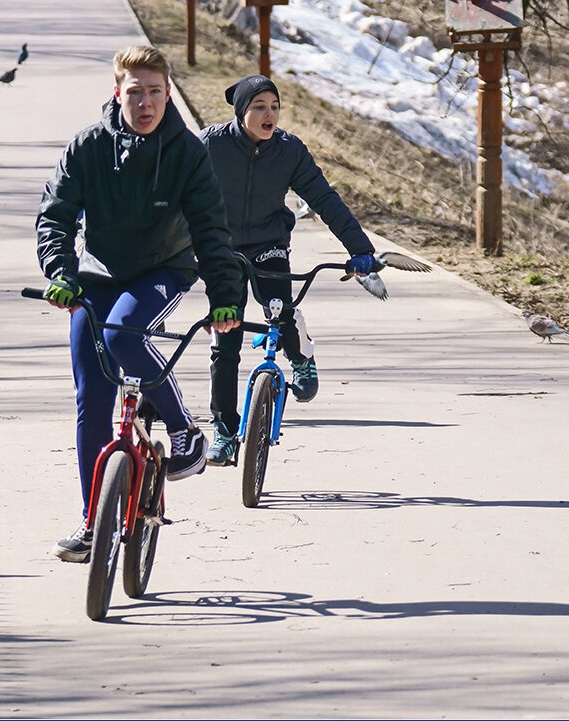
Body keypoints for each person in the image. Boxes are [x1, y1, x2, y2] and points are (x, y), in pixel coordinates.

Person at [36, 45, 243, 562]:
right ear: (117, 93)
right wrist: (61, 273)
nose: (145, 103)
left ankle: (184, 431)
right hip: (97, 275)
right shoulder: (86, 148)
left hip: (163, 268)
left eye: (155, 92)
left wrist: (224, 299)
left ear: (168, 93)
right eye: (135, 92)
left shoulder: (188, 153)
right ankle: (92, 525)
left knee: (125, 333)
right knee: (92, 404)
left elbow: (212, 232)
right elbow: (55, 218)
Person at [198, 75, 376, 465]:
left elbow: (325, 199)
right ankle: (225, 431)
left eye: (274, 106)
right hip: (223, 250)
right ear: (242, 110)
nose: (269, 115)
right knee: (225, 337)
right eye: (259, 106)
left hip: (268, 243)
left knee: (279, 305)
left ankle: (301, 355)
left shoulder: (288, 150)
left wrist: (360, 249)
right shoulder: (210, 144)